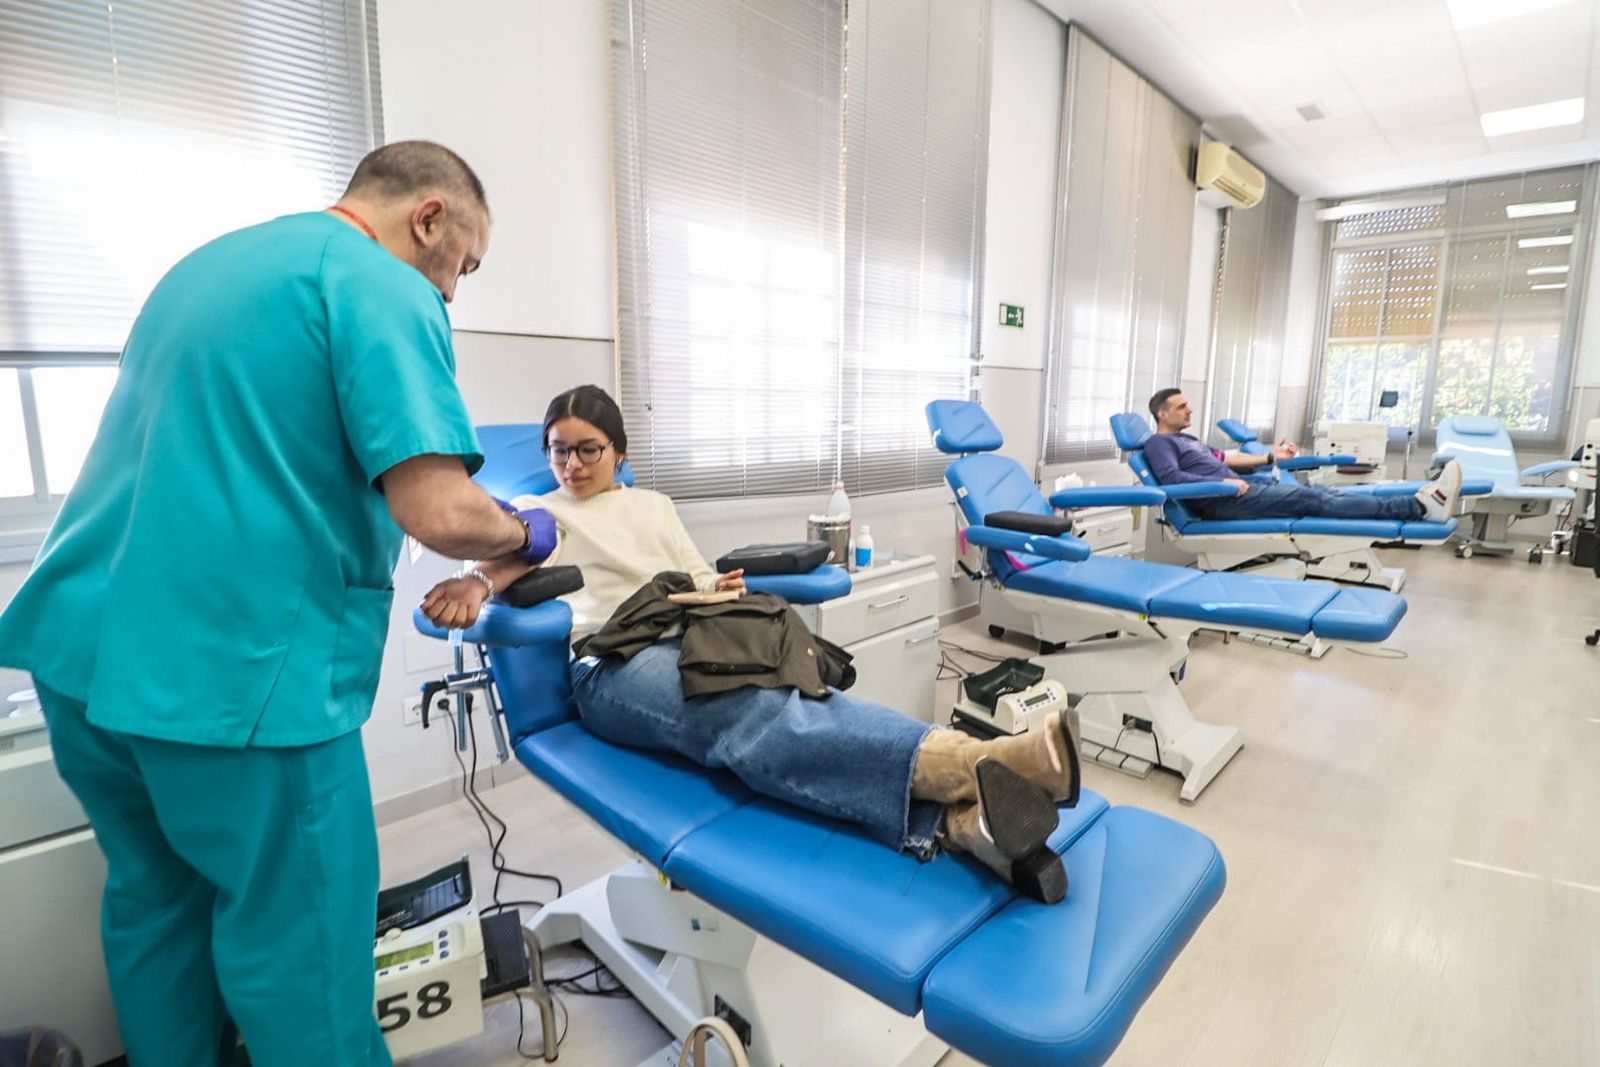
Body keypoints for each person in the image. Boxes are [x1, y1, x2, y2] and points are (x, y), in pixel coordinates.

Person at [0, 141, 559, 1067]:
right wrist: (524, 533)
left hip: (82, 660)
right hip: (237, 686)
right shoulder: (383, 286)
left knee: (156, 907)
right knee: (301, 960)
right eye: (463, 265)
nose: (455, 293)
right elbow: (436, 509)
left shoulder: (204, 270)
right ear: (428, 219)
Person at [420, 385, 1083, 904]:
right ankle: (988, 763)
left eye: (587, 448)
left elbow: (694, 568)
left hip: (690, 630)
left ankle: (960, 823)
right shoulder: (547, 512)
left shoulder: (653, 503)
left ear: (619, 452)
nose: (570, 463)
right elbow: (516, 546)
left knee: (805, 696)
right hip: (613, 663)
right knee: (752, 711)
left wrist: (719, 585)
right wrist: (478, 582)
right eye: (557, 449)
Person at [1143, 388, 1463, 523]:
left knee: (1319, 491)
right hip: (1222, 501)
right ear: (1162, 414)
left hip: (1240, 489)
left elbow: (1226, 459)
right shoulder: (1159, 444)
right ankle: (1418, 507)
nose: (1190, 409)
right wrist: (1224, 485)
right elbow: (1172, 480)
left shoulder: (1189, 440)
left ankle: (1419, 499)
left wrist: (1272, 458)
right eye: (1182, 406)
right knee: (1314, 502)